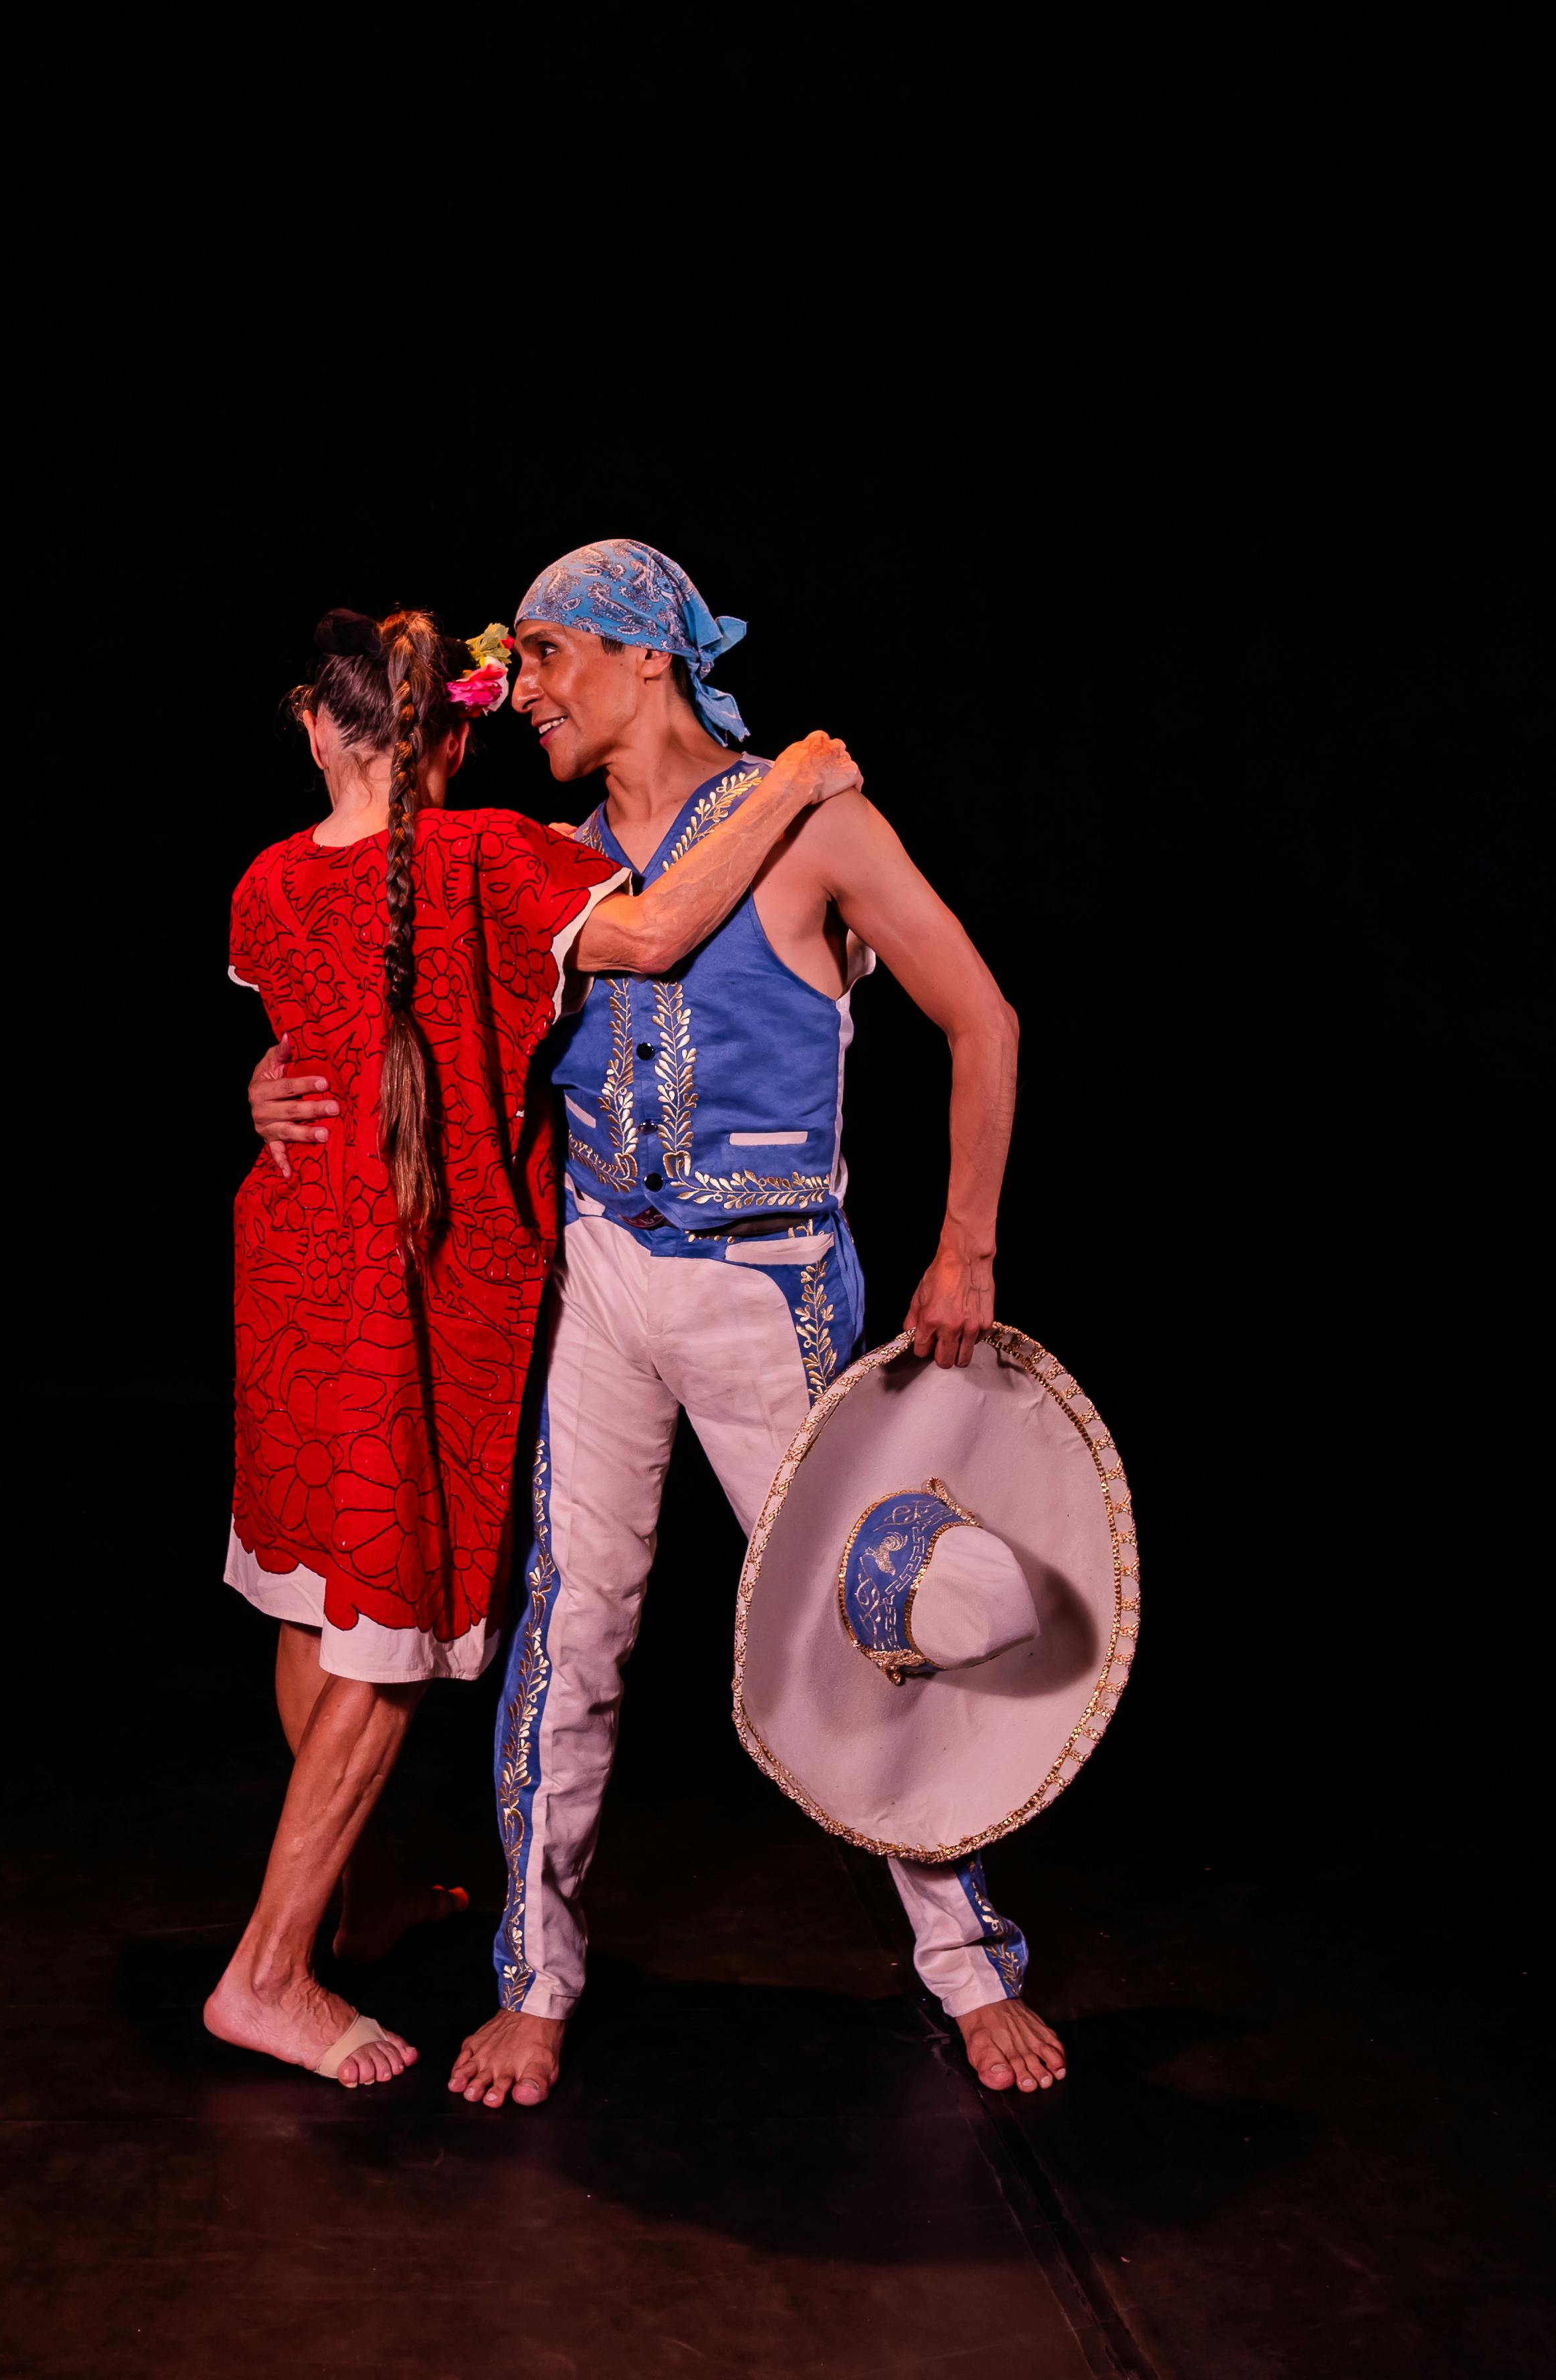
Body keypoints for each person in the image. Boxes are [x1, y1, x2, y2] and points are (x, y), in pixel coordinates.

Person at [250, 542, 1065, 2106]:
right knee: (571, 1634)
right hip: (604, 1274)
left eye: (549, 654)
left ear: (646, 656)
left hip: (772, 1287)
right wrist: (267, 1085)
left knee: (873, 1617)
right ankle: (536, 1980)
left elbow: (986, 1016)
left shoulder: (815, 824)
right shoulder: (547, 861)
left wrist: (965, 1247)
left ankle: (969, 1960)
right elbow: (384, 1009)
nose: (523, 692)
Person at [208, 600, 860, 2086]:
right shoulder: (489, 856)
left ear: (313, 727)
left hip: (293, 1267)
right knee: (385, 1637)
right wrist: (794, 778)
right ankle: (268, 1970)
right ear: (453, 735)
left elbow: (319, 1041)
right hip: (406, 1289)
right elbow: (661, 929)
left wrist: (263, 1091)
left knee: (314, 1607)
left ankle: (357, 1898)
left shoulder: (264, 880)